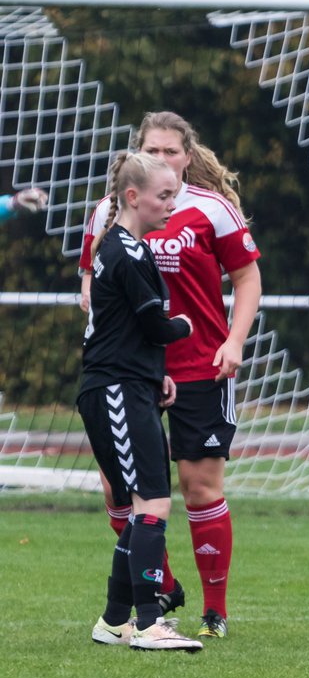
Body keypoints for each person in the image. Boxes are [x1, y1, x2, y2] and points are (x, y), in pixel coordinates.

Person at [79, 111, 262, 640]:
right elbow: (92, 279)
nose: (162, 160)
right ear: (137, 160)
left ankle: (213, 612)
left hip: (198, 367)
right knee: (122, 489)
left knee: (197, 488)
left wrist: (234, 340)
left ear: (189, 156)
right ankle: (153, 589)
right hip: (131, 374)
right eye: (152, 151)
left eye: (171, 152)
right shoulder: (112, 215)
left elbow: (248, 277)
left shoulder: (211, 210)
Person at [81, 151, 202, 652]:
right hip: (115, 390)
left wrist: (157, 376)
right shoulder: (126, 252)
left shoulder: (131, 247)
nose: (172, 202)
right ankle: (150, 623)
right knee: (151, 499)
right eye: (164, 195)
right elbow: (155, 325)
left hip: (130, 387)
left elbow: (132, 333)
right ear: (134, 197)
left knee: (142, 505)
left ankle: (114, 621)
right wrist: (185, 328)